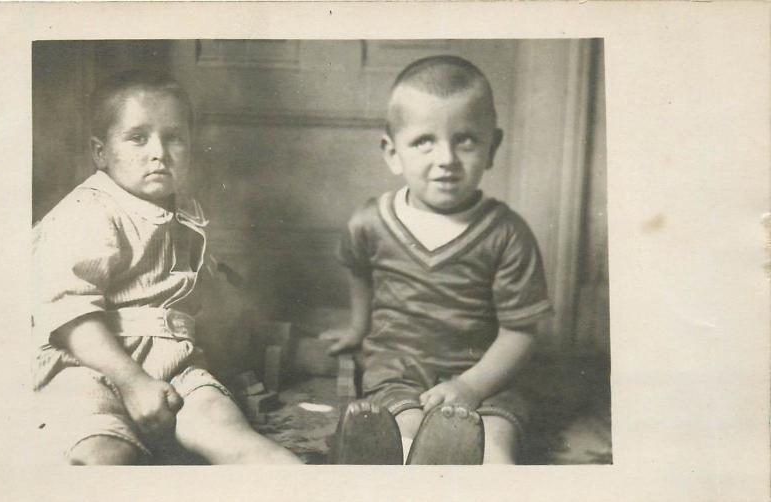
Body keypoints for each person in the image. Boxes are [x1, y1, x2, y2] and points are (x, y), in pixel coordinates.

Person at [32, 69, 300, 465]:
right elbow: (70, 317)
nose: (159, 151)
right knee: (103, 453)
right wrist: (133, 383)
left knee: (235, 438)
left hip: (174, 360)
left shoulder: (183, 214)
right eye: (138, 138)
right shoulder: (86, 211)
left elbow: (197, 295)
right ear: (100, 152)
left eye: (173, 137)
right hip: (89, 364)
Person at [324, 56, 552, 464]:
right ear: (393, 153)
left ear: (491, 148)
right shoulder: (370, 222)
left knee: (494, 446)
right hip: (397, 368)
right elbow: (358, 268)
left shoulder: (507, 233)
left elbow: (521, 333)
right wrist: (359, 327)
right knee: (401, 434)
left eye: (465, 139)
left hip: (487, 373)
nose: (446, 157)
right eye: (423, 141)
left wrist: (471, 387)